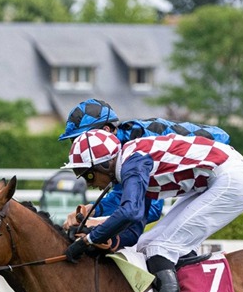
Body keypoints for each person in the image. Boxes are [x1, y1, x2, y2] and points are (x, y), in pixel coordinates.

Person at [61, 129, 243, 292]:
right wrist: (112, 241)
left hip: (230, 179)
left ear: (104, 165)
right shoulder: (131, 164)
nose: (89, 184)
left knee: (161, 248)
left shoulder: (133, 164)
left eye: (88, 176)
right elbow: (135, 229)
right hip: (211, 179)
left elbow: (130, 211)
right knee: (147, 245)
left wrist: (90, 239)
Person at [57, 98, 231, 247]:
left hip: (220, 168)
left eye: (79, 138)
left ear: (107, 130)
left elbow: (150, 209)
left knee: (160, 247)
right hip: (203, 173)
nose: (77, 146)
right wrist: (91, 211)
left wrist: (97, 224)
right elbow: (123, 196)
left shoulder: (137, 145)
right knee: (151, 244)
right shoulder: (118, 149)